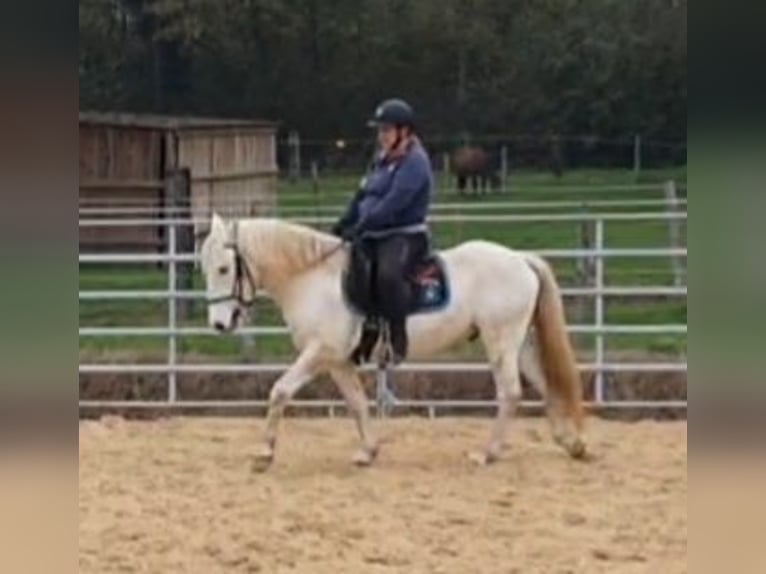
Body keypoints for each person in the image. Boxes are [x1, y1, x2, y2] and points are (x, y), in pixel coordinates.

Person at [332, 98, 434, 363]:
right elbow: (362, 193)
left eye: (386, 130)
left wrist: (362, 226)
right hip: (375, 233)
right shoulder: (381, 159)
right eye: (380, 131)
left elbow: (394, 203)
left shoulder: (415, 163)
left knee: (388, 275)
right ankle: (371, 325)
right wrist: (345, 222)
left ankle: (398, 336)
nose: (381, 136)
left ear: (405, 132)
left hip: (405, 234)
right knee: (356, 271)